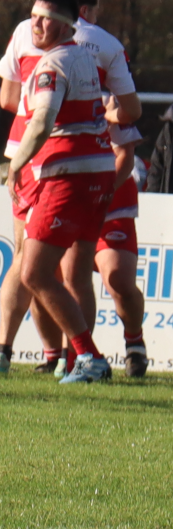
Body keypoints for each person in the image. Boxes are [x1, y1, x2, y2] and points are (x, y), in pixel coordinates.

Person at [0, 0, 140, 374]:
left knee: (34, 271)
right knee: (75, 274)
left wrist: (15, 165)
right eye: (33, 17)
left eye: (45, 19)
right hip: (98, 175)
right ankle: (76, 359)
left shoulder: (51, 64)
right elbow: (123, 109)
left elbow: (40, 123)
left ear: (68, 24)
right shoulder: (86, 56)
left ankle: (86, 357)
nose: (34, 25)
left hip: (66, 175)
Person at [95, 127, 148, 377]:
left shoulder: (110, 104)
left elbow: (129, 113)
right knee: (48, 277)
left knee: (119, 281)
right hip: (64, 188)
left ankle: (134, 343)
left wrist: (103, 193)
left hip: (111, 198)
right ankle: (61, 356)